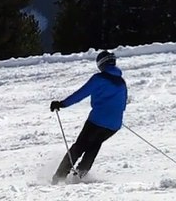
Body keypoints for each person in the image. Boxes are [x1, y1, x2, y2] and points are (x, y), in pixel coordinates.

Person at [50, 50, 127, 182]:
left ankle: (59, 176)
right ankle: (80, 175)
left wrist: (62, 104)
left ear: (101, 64)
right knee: (94, 145)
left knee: (79, 146)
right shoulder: (121, 82)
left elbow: (80, 94)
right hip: (114, 124)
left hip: (97, 120)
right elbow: (123, 104)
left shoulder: (99, 78)